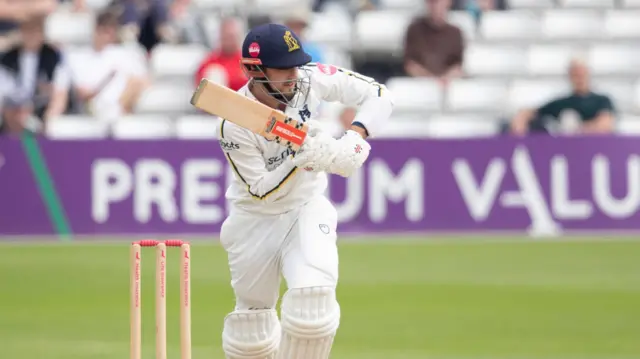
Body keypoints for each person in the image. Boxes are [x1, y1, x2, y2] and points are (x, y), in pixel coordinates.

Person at [217, 23, 393, 359]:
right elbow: (259, 191)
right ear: (254, 70)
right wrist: (300, 160)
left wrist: (354, 136)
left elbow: (380, 95)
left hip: (306, 207)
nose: (294, 76)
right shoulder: (232, 122)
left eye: (296, 65)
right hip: (255, 220)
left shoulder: (310, 79)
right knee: (250, 331)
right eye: (283, 70)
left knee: (313, 307)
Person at [509, 58, 616, 135]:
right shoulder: (562, 103)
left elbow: (605, 125)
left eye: (581, 74)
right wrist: (520, 121)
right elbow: (531, 112)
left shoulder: (601, 101)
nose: (579, 78)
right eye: (575, 75)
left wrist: (575, 130)